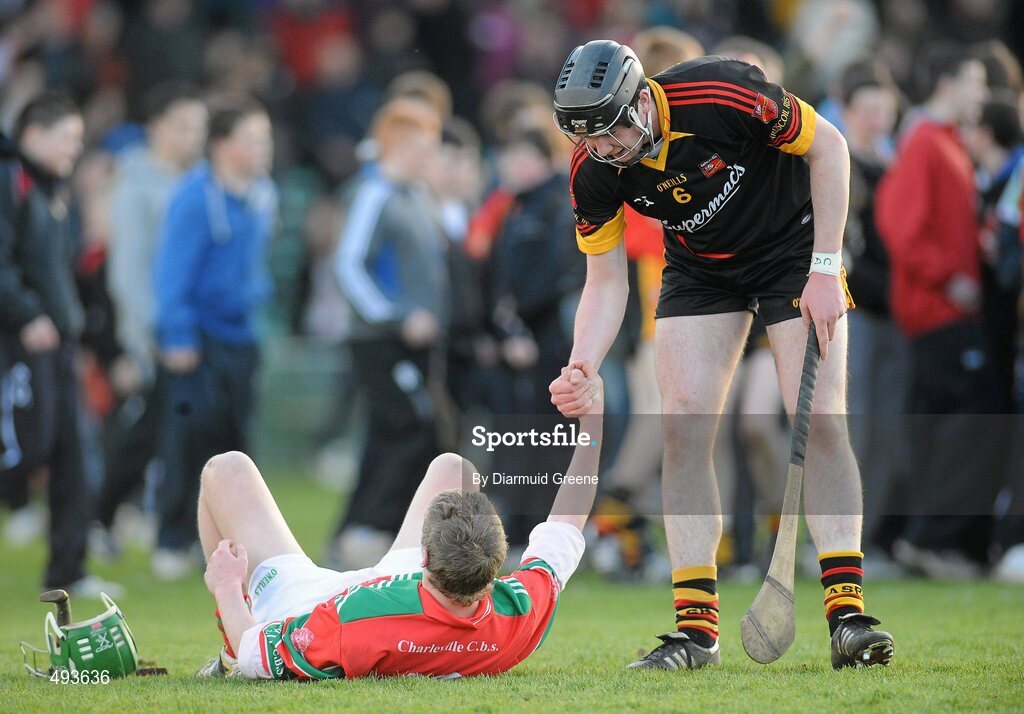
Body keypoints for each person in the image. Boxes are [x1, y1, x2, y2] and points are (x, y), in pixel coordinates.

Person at [549, 40, 893, 670]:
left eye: (609, 132)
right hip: (701, 268)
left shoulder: (721, 94)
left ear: (640, 101)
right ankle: (696, 634)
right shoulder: (593, 171)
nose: (603, 150)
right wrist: (582, 362)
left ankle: (848, 615)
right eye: (586, 138)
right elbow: (604, 283)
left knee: (817, 420)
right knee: (681, 426)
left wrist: (824, 266)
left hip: (793, 248)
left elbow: (831, 148)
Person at [195, 363, 604, 679]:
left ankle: (223, 652)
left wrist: (228, 585)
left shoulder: (356, 621)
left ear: (424, 558)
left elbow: (256, 654)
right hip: (408, 594)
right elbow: (568, 521)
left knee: (224, 468)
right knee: (453, 468)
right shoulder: (517, 611)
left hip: (311, 605)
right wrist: (593, 420)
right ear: (497, 566)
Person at [876, 47, 1001, 577]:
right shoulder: (926, 142)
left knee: (945, 426)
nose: (983, 93)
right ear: (948, 84)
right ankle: (930, 539)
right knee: (976, 418)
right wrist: (951, 278)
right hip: (938, 312)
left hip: (947, 311)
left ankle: (931, 540)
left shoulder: (946, 143)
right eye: (975, 81)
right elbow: (899, 225)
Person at [153, 101, 277, 579]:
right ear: (224, 146)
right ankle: (172, 537)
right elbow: (171, 270)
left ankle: (234, 545)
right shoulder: (193, 196)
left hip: (243, 335)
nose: (263, 149)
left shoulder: (263, 194)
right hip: (198, 338)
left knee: (236, 439)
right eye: (253, 139)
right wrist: (177, 332)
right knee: (187, 436)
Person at [0, 92, 117, 596]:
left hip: (59, 344)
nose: (75, 147)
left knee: (75, 458)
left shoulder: (53, 190)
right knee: (26, 452)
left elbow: (66, 275)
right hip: (20, 343)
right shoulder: (10, 180)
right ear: (32, 135)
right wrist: (27, 315)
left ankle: (68, 572)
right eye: (67, 137)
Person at [330, 97, 449, 567]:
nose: (429, 155)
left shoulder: (416, 194)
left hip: (414, 341)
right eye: (423, 145)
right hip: (381, 341)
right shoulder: (374, 192)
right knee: (408, 426)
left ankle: (362, 534)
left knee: (391, 433)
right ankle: (371, 529)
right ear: (395, 145)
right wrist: (396, 316)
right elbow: (348, 264)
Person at [95, 83, 208, 559]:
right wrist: (147, 335)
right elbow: (129, 269)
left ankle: (158, 522)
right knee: (140, 434)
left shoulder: (196, 181)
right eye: (183, 126)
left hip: (189, 331)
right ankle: (98, 516)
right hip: (156, 336)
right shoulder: (137, 186)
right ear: (156, 128)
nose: (192, 136)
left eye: (197, 127)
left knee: (170, 431)